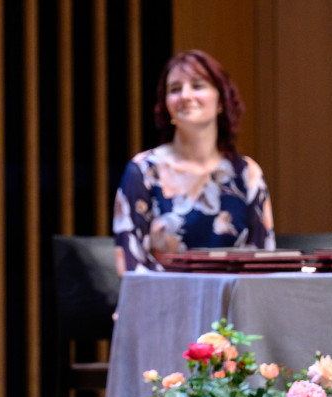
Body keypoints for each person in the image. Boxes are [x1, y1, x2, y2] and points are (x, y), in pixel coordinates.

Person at [113, 49, 274, 273]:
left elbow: (265, 262)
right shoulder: (143, 170)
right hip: (163, 295)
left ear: (221, 101)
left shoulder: (247, 173)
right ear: (166, 105)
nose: (185, 96)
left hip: (234, 296)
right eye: (175, 89)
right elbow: (130, 267)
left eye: (197, 86)